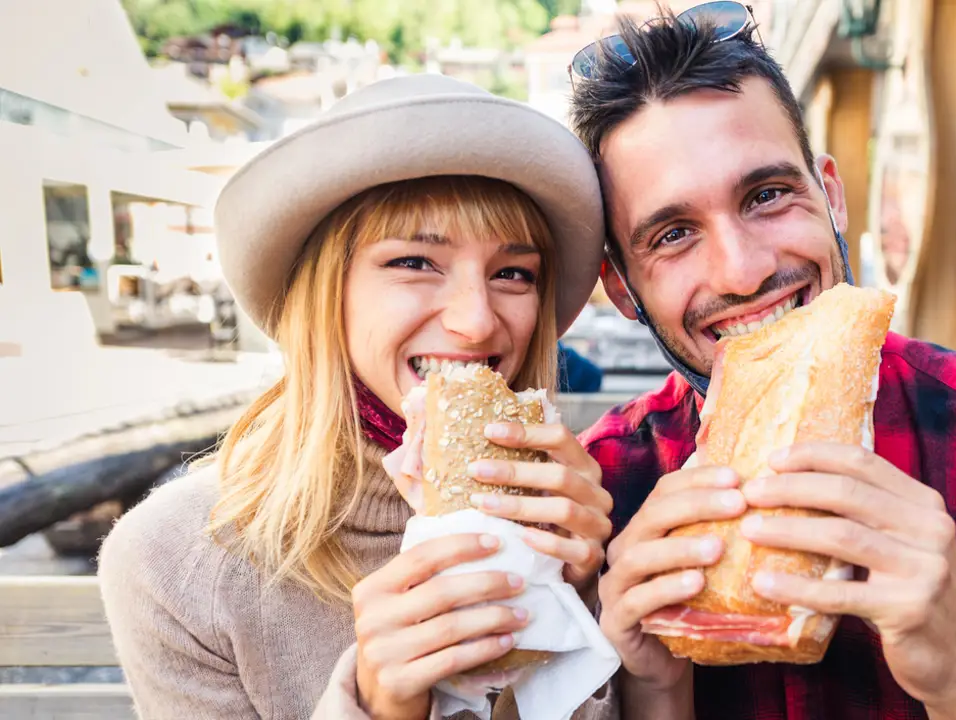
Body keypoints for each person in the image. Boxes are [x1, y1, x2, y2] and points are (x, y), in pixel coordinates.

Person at [568, 4, 956, 719]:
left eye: (767, 195)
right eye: (674, 233)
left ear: (830, 197)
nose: (742, 272)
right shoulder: (601, 494)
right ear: (622, 287)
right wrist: (650, 690)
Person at [98, 75, 617, 720]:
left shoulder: (578, 512)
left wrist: (579, 604)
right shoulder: (175, 561)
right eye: (414, 262)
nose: (478, 321)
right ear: (326, 293)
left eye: (513, 273)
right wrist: (376, 708)